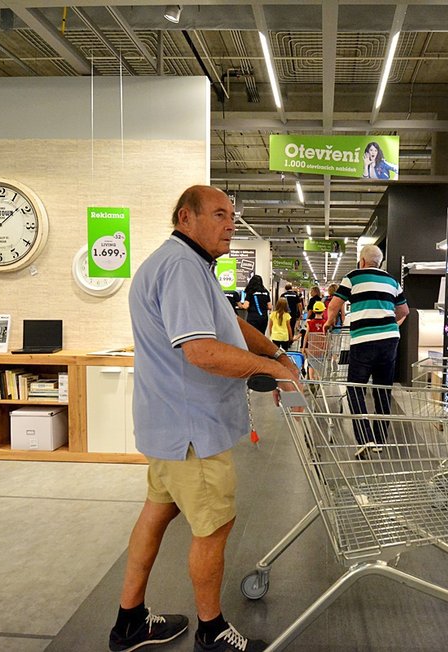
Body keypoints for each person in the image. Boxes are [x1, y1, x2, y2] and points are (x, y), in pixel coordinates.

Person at [110, 185, 299, 652]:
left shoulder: (190, 265)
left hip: (169, 428)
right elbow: (200, 350)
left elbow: (229, 325)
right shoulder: (180, 267)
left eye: (231, 215)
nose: (230, 224)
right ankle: (212, 633)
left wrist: (276, 350)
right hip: (192, 431)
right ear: (184, 217)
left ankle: (129, 621)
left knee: (155, 516)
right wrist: (273, 370)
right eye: (218, 214)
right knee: (213, 528)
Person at [325, 244, 409, 458]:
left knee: (355, 388)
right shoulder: (392, 281)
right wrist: (392, 324)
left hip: (363, 341)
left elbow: (334, 305)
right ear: (379, 262)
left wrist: (329, 322)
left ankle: (365, 439)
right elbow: (404, 310)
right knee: (383, 390)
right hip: (390, 340)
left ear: (362, 260)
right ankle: (380, 440)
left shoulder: (353, 277)